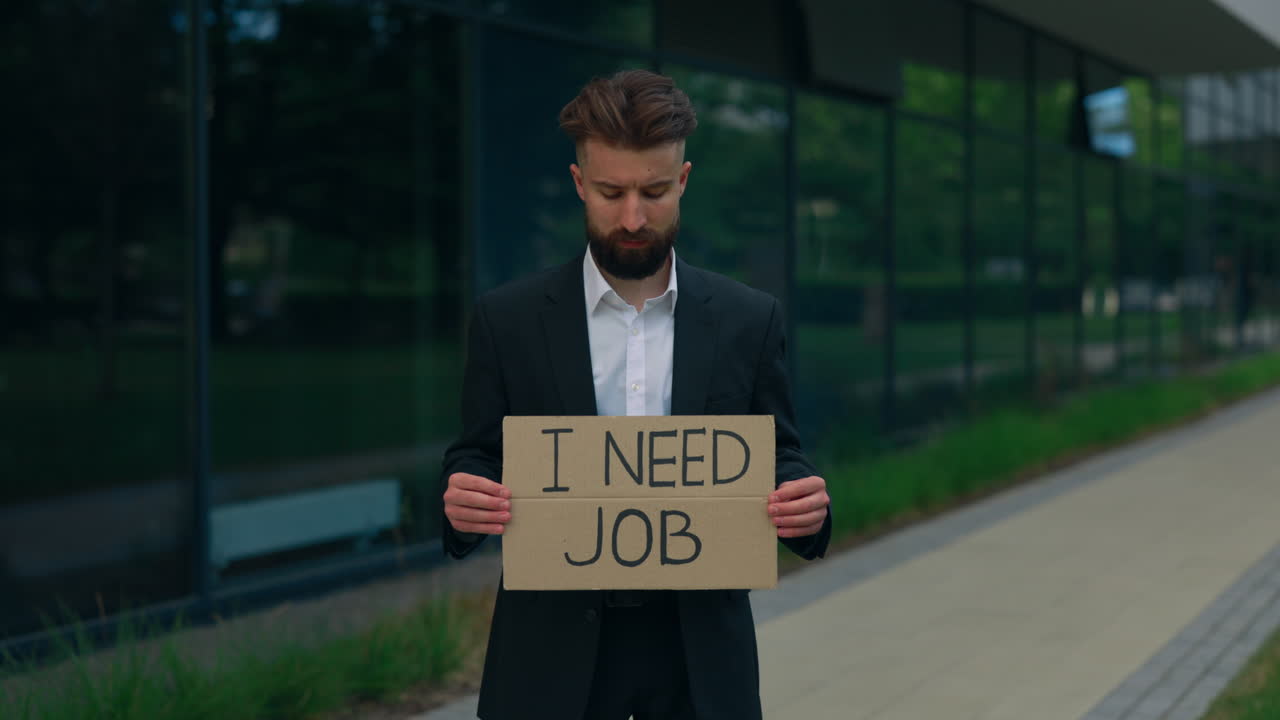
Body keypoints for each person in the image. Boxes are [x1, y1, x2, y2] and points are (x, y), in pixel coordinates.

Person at [441, 69, 831, 720]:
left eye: (653, 192)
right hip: (550, 654)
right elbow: (477, 454)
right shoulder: (506, 320)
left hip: (698, 656)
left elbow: (777, 453)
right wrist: (462, 500)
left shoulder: (749, 319)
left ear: (683, 181)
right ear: (579, 183)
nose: (632, 217)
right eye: (610, 192)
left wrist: (804, 502)